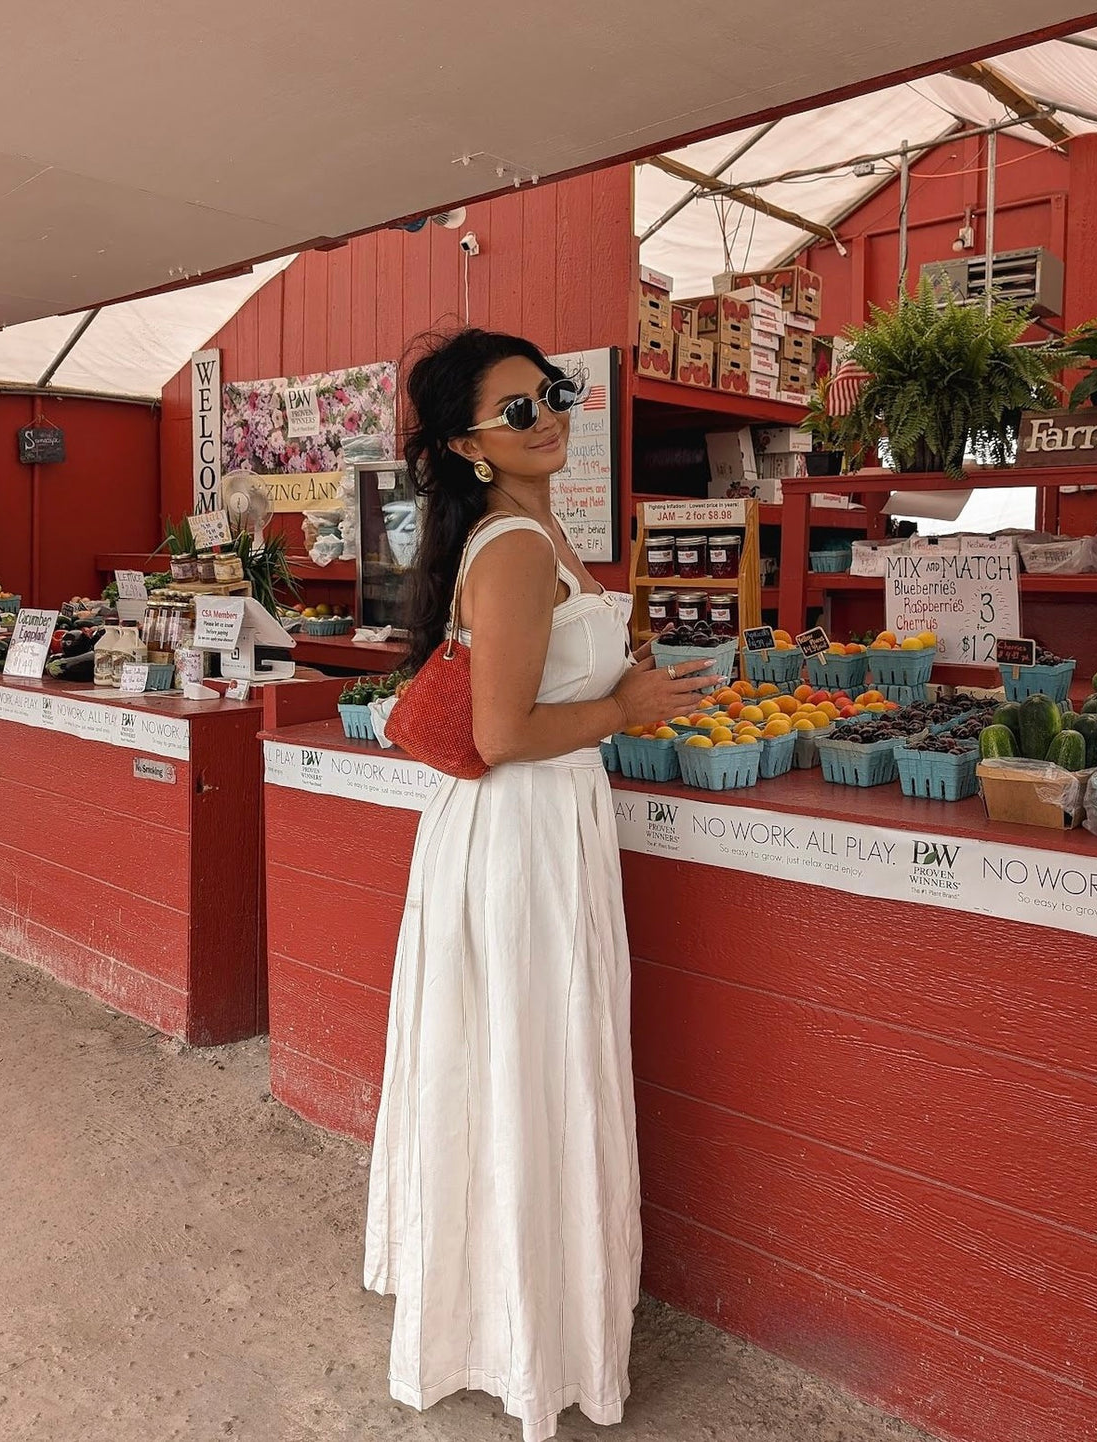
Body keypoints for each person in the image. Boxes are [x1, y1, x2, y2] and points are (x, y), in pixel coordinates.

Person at [364, 329, 708, 1441]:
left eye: (551, 395)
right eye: (517, 410)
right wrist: (626, 709)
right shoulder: (513, 543)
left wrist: (621, 680)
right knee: (525, 1064)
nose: (547, 418)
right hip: (518, 833)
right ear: (467, 444)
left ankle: (516, 1319)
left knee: (522, 1064)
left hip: (541, 828)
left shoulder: (537, 526)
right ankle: (518, 1331)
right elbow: (504, 728)